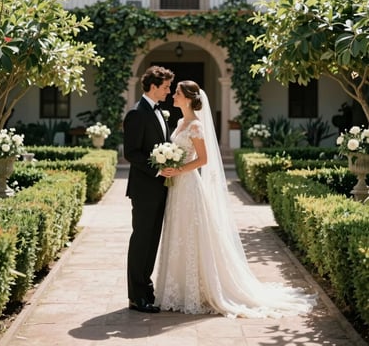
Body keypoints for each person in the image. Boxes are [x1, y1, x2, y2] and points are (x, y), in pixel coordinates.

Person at [156, 80, 317, 318]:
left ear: (188, 98)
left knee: (190, 233)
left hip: (189, 186)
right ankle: (177, 289)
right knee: (178, 232)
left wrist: (178, 170)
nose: (173, 96)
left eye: (177, 93)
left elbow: (202, 160)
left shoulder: (196, 126)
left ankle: (197, 290)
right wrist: (168, 164)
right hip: (176, 187)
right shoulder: (180, 122)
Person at [123, 65, 174, 313]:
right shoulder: (136, 113)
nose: (169, 91)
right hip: (144, 189)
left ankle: (146, 290)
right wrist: (157, 170)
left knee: (152, 241)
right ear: (153, 86)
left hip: (160, 188)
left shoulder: (158, 112)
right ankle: (136, 296)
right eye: (165, 87)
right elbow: (131, 153)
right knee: (141, 241)